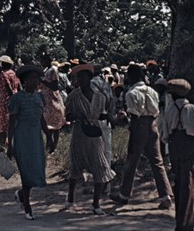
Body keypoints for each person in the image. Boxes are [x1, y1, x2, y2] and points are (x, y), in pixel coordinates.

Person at [110, 64, 173, 209]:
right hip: (153, 123)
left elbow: (134, 114)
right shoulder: (152, 90)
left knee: (132, 160)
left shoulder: (131, 93)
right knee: (157, 161)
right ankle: (165, 195)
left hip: (139, 124)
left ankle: (124, 194)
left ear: (131, 77)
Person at [64, 64, 115, 215]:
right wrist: (77, 116)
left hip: (94, 133)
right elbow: (67, 115)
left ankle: (96, 203)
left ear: (90, 79)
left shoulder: (99, 97)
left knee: (100, 166)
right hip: (79, 133)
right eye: (78, 77)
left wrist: (109, 117)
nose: (80, 80)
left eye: (83, 77)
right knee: (76, 166)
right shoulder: (74, 96)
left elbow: (100, 114)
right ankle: (71, 197)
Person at [159, 79, 194, 231]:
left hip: (174, 144)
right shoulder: (193, 109)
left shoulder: (169, 110)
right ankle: (186, 224)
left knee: (178, 181)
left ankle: (181, 222)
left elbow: (164, 135)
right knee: (188, 181)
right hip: (189, 144)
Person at [7, 65, 49, 220]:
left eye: (36, 79)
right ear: (24, 81)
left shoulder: (40, 97)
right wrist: (9, 142)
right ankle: (27, 205)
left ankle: (21, 194)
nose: (35, 81)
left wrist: (49, 136)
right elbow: (11, 122)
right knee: (26, 170)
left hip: (36, 137)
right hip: (22, 137)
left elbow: (41, 118)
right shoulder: (17, 98)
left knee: (37, 168)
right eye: (32, 79)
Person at [39, 52, 66, 153]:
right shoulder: (46, 70)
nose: (41, 62)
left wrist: (44, 82)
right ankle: (49, 144)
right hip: (46, 101)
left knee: (55, 125)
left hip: (53, 101)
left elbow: (55, 86)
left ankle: (54, 146)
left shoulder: (53, 70)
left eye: (43, 59)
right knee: (47, 124)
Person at [0, 55, 20, 150]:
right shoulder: (13, 73)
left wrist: (11, 99)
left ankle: (2, 147)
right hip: (15, 97)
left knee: (3, 124)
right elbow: (18, 87)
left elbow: (8, 88)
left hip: (5, 100)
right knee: (12, 122)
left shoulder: (4, 74)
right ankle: (12, 145)